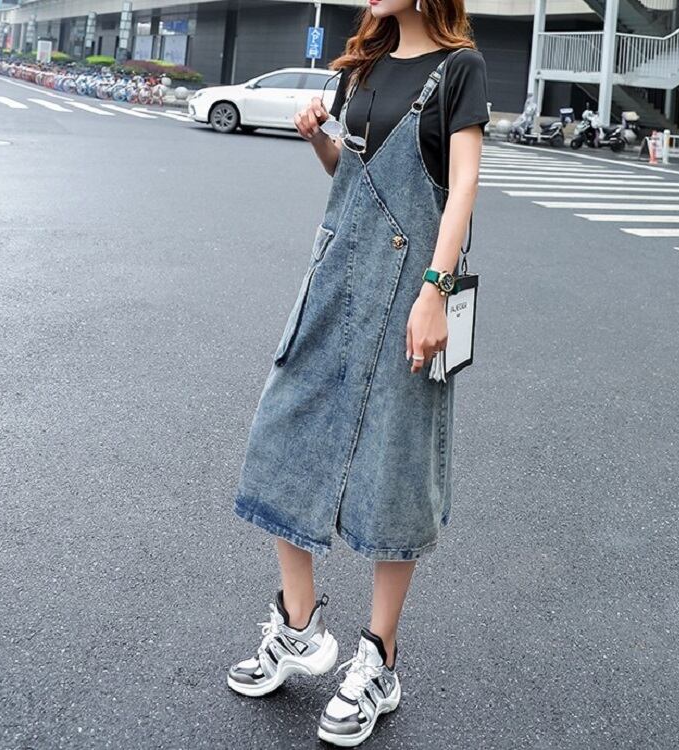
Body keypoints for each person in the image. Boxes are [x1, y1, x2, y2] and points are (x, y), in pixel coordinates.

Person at [228, 0, 488, 745]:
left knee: (393, 465)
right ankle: (299, 625)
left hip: (413, 293)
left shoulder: (459, 69)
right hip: (335, 278)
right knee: (281, 432)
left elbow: (462, 190)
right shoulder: (363, 67)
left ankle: (379, 656)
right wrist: (318, 138)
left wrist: (435, 292)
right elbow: (351, 177)